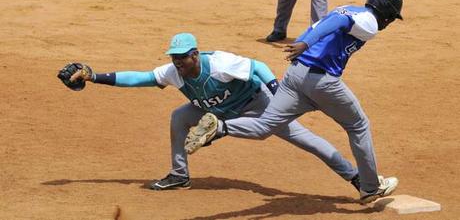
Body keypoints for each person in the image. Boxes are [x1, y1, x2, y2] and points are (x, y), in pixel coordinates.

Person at [186, 0, 402, 204]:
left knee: (265, 126)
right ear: (386, 14)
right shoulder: (370, 22)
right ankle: (371, 187)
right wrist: (305, 44)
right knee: (358, 125)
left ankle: (220, 127)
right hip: (321, 82)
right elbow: (334, 24)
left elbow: (329, 21)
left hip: (295, 76)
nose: (389, 23)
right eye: (391, 18)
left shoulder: (349, 9)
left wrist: (303, 42)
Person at [64, 32, 361, 191]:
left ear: (195, 54)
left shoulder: (218, 63)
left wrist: (276, 89)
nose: (177, 62)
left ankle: (355, 177)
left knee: (305, 139)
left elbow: (256, 66)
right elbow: (140, 77)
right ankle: (179, 175)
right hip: (214, 112)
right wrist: (95, 76)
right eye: (174, 57)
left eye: (182, 57)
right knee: (180, 116)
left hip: (257, 105)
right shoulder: (174, 72)